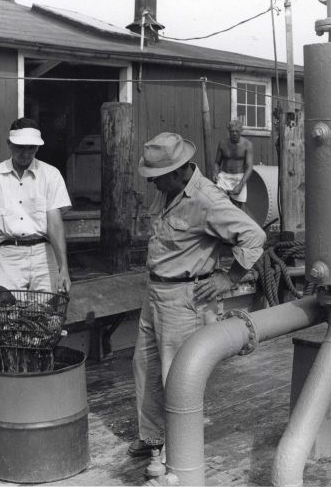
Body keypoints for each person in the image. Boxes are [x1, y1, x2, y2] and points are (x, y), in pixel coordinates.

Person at [128, 132, 265, 458]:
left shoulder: (207, 200)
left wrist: (228, 278)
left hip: (185, 298)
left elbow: (253, 236)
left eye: (157, 178)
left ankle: (178, 453)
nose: (153, 185)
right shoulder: (169, 191)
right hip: (156, 291)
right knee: (144, 366)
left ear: (177, 172)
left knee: (177, 375)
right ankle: (151, 436)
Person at [0, 117, 72, 294]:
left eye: (31, 148)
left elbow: (55, 224)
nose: (26, 154)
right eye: (20, 147)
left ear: (38, 147)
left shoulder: (51, 175)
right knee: (5, 313)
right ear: (9, 144)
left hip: (44, 253)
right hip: (8, 253)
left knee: (47, 312)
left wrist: (63, 267)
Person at [213, 120, 254, 209]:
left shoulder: (247, 144)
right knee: (218, 204)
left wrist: (241, 185)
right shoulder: (223, 143)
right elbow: (217, 163)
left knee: (237, 208)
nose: (234, 133)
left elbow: (249, 167)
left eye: (237, 131)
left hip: (239, 178)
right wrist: (215, 173)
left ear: (241, 131)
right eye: (232, 131)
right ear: (229, 131)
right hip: (224, 177)